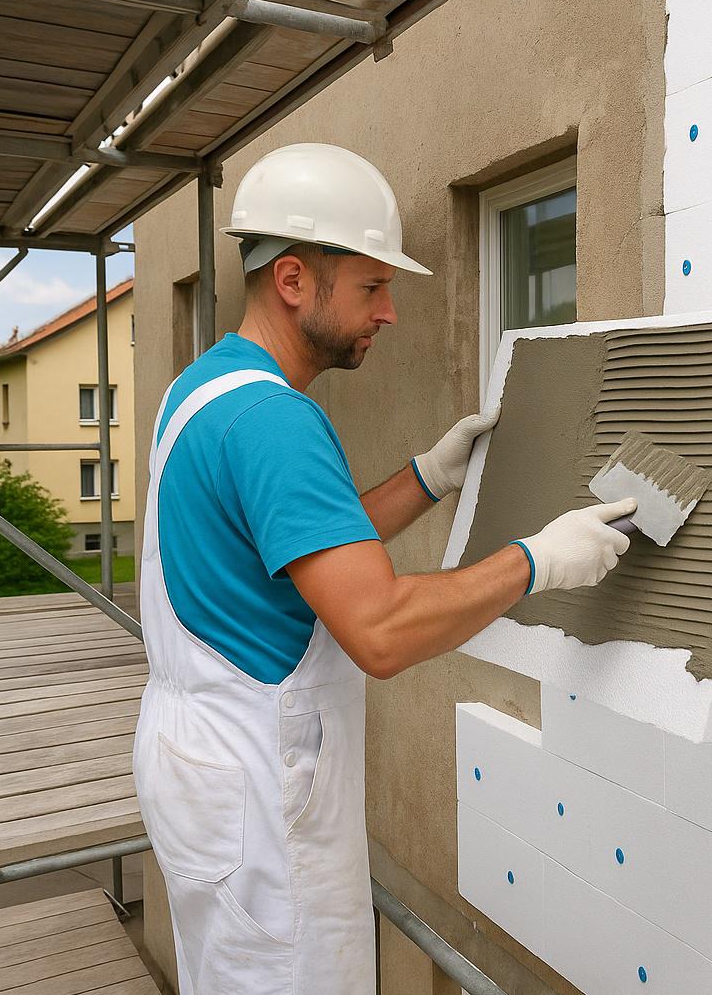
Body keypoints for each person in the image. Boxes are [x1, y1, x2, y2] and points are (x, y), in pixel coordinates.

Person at [131, 142, 633, 994]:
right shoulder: (274, 422)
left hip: (202, 767)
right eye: (373, 286)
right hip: (262, 796)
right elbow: (380, 627)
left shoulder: (208, 386)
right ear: (293, 280)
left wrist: (427, 479)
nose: (390, 312)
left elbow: (301, 553)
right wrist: (538, 561)